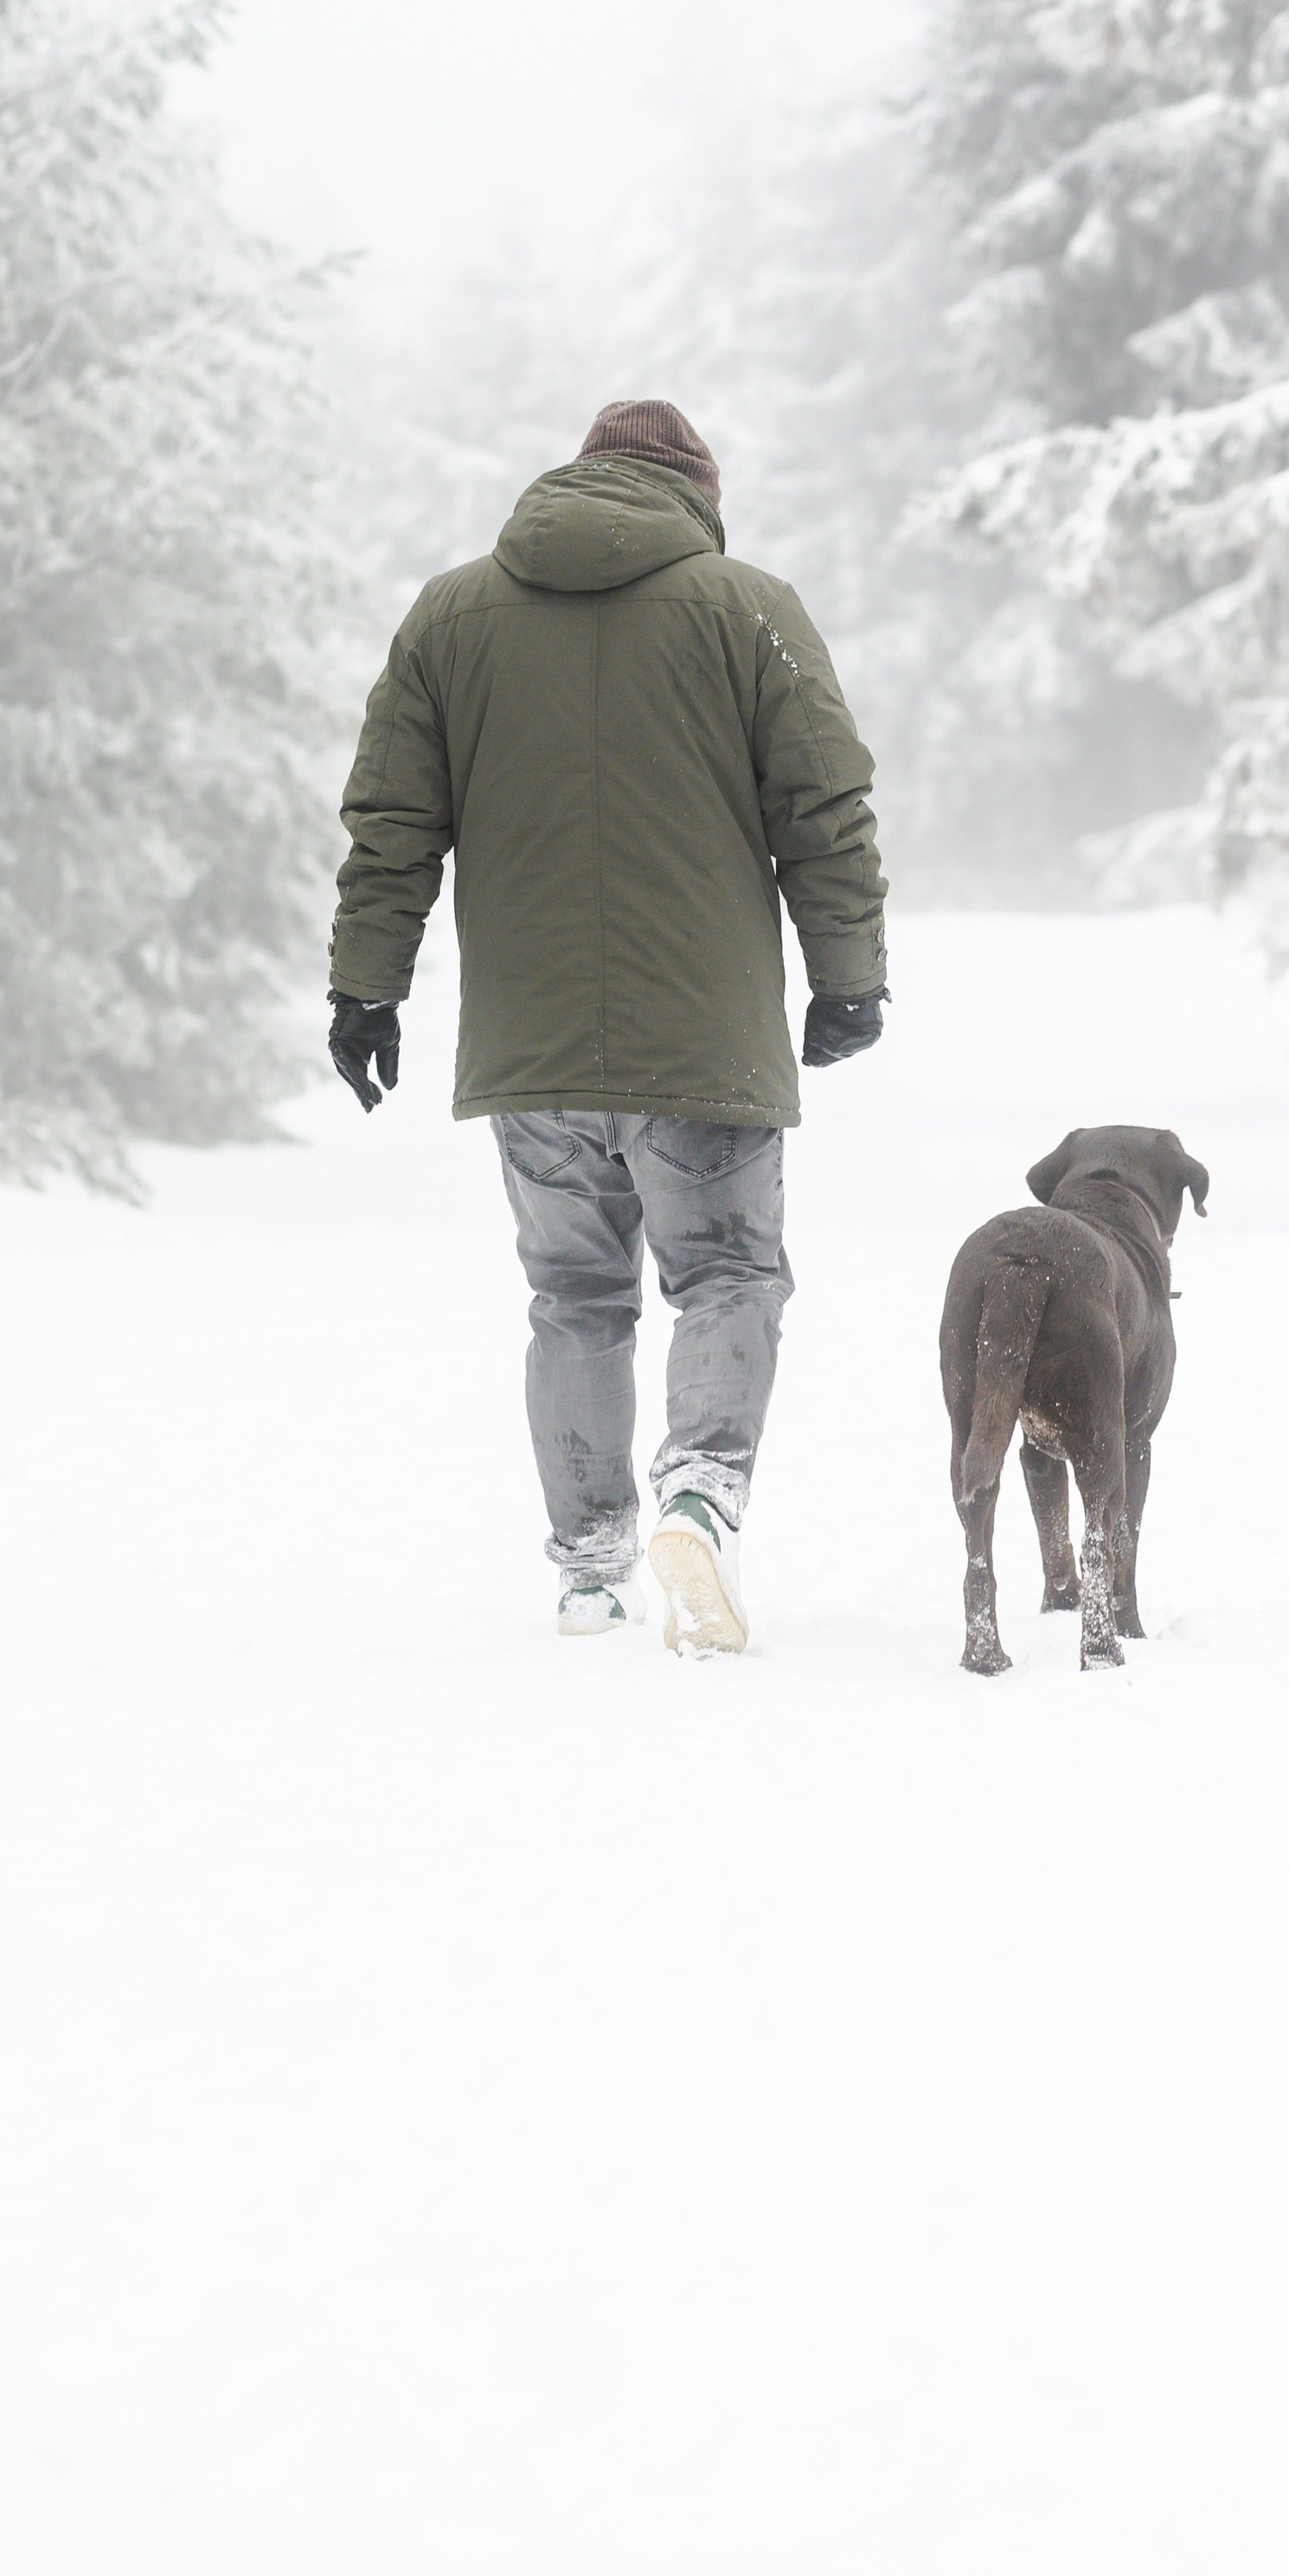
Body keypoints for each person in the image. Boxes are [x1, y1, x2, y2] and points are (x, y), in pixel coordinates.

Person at [326, 398, 887, 1655]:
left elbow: (392, 822)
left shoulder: (450, 615)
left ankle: (589, 1567)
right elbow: (827, 805)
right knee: (729, 1273)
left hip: (531, 1053)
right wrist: (847, 976)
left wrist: (367, 988)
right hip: (704, 1047)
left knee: (576, 1296)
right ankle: (701, 1492)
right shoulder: (748, 609)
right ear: (697, 492)